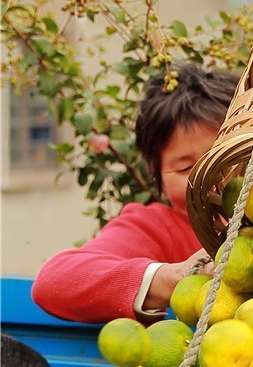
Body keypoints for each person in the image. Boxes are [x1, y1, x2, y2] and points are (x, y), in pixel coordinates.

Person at [31, 64, 240, 324]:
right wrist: (174, 278)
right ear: (158, 176)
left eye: (223, 158)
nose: (208, 178)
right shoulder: (155, 227)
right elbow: (55, 280)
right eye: (186, 168)